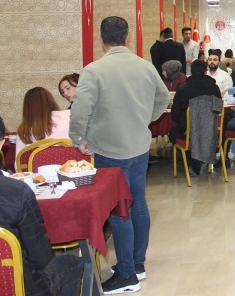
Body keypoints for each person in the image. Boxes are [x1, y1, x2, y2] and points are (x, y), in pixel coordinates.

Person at [69, 16, 170, 293]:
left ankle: (126, 275)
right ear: (127, 37)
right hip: (138, 146)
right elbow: (163, 97)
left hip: (109, 150)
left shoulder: (94, 70)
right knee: (138, 204)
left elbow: (80, 109)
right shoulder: (145, 66)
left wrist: (78, 139)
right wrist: (146, 118)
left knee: (119, 210)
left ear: (101, 39)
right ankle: (137, 263)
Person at [0, 109, 83, 296]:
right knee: (73, 263)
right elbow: (41, 259)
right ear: (0, 145)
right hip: (17, 286)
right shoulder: (17, 192)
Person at [168, 59, 221, 177]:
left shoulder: (183, 88)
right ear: (206, 71)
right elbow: (218, 109)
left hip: (189, 132)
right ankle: (203, 157)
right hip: (210, 132)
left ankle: (191, 160)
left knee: (172, 134)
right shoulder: (214, 88)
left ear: (191, 71)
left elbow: (175, 114)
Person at [16, 87, 71, 152]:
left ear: (27, 107)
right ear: (50, 100)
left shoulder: (24, 130)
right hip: (73, 157)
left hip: (38, 158)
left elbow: (19, 157)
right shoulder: (69, 115)